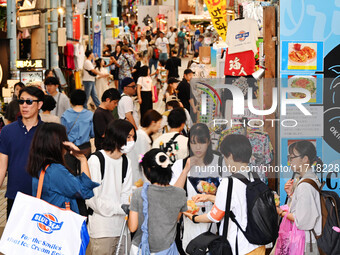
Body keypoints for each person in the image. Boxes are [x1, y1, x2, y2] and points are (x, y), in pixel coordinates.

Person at [183, 134, 266, 255]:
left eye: (224, 157)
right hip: (258, 245)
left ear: (230, 156)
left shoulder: (229, 182)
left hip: (240, 247)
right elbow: (239, 202)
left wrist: (194, 218)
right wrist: (210, 197)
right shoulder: (254, 175)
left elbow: (215, 216)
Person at [170, 123, 227, 250]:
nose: (198, 147)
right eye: (193, 142)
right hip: (189, 223)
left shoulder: (219, 162)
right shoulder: (180, 164)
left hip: (214, 224)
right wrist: (185, 170)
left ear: (208, 142)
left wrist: (215, 191)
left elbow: (228, 194)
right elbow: (173, 195)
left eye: (202, 142)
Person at [86, 119, 135, 255]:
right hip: (102, 230)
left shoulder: (126, 161)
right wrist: (120, 208)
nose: (132, 141)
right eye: (128, 137)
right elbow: (93, 200)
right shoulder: (96, 160)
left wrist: (124, 208)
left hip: (122, 229)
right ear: (117, 136)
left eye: (133, 137)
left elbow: (126, 193)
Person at [27, 122, 98, 213]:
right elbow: (85, 191)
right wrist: (82, 159)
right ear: (57, 144)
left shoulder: (41, 167)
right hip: (62, 222)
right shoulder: (55, 171)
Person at [128, 148, 187, 255]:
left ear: (148, 170)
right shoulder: (181, 194)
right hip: (167, 250)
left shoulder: (139, 193)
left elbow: (132, 227)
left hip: (141, 249)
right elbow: (174, 219)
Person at [0, 86, 44, 218]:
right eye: (21, 101)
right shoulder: (8, 131)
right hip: (15, 196)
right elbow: (2, 167)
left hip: (42, 198)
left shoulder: (47, 132)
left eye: (29, 102)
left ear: (39, 104)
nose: (24, 105)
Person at [276, 140, 322, 254]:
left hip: (306, 242)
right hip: (309, 239)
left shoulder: (305, 185)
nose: (289, 161)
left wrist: (280, 212)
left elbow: (302, 221)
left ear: (305, 159)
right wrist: (291, 195)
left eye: (292, 157)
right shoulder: (312, 179)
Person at [61, 89, 94, 172]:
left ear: (71, 100)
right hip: (85, 147)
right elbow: (93, 133)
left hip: (69, 147)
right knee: (85, 172)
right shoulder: (90, 115)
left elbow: (62, 134)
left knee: (70, 173)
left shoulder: (65, 115)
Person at [127, 109, 162, 184]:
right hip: (137, 175)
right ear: (153, 123)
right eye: (159, 123)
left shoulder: (141, 135)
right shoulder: (142, 137)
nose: (160, 126)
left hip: (137, 173)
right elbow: (142, 159)